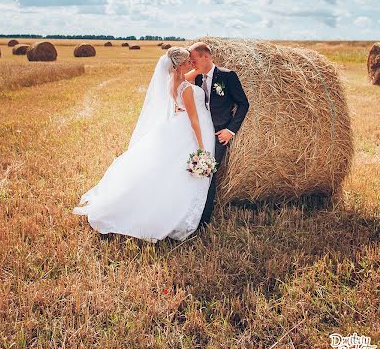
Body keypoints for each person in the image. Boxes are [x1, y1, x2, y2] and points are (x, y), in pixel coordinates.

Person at [72, 47, 216, 243]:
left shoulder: (172, 82)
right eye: (188, 61)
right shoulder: (188, 88)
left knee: (165, 171)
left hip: (176, 127)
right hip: (189, 132)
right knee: (179, 175)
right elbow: (194, 121)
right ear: (181, 65)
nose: (192, 63)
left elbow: (187, 78)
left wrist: (200, 69)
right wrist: (201, 147)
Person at [187, 42, 250, 228]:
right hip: (197, 133)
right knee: (192, 171)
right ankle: (189, 210)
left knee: (208, 172)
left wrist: (230, 130)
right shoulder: (195, 78)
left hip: (217, 133)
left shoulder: (227, 76)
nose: (191, 63)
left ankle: (203, 219)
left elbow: (243, 104)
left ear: (206, 57)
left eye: (194, 59)